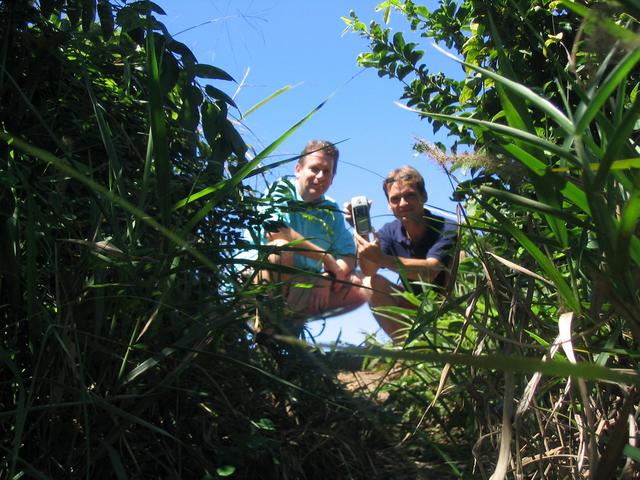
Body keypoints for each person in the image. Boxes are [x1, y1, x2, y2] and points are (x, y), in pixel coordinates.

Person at [249, 140, 367, 324]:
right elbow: (276, 233)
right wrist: (326, 259)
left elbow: (349, 256)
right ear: (298, 169)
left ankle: (290, 327)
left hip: (303, 283)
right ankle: (266, 331)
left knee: (363, 284)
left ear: (332, 178)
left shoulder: (330, 209)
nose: (320, 176)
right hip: (256, 278)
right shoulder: (280, 190)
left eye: (326, 171)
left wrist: (326, 278)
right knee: (279, 250)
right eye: (314, 168)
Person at [348, 166, 457, 341]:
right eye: (395, 199)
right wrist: (360, 231)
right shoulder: (390, 231)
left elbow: (430, 271)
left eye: (410, 195)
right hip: (416, 308)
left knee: (463, 256)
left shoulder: (448, 226)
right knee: (369, 283)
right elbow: (369, 270)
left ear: (424, 196)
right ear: (389, 205)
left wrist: (383, 259)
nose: (403, 204)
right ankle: (411, 351)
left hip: (451, 310)